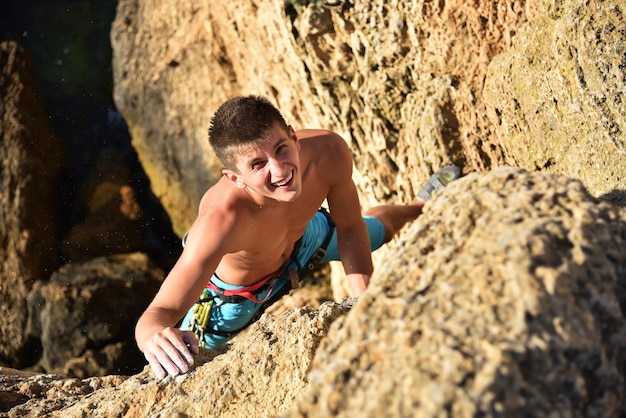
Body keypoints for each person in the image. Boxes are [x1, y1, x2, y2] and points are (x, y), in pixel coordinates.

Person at [135, 95, 460, 379]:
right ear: (234, 177)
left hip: (304, 240)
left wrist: (367, 305)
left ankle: (418, 206)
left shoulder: (328, 152)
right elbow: (157, 314)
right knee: (185, 363)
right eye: (258, 164)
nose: (280, 170)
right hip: (238, 297)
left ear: (293, 136)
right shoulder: (220, 221)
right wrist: (155, 338)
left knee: (377, 232)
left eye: (281, 149)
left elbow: (349, 228)